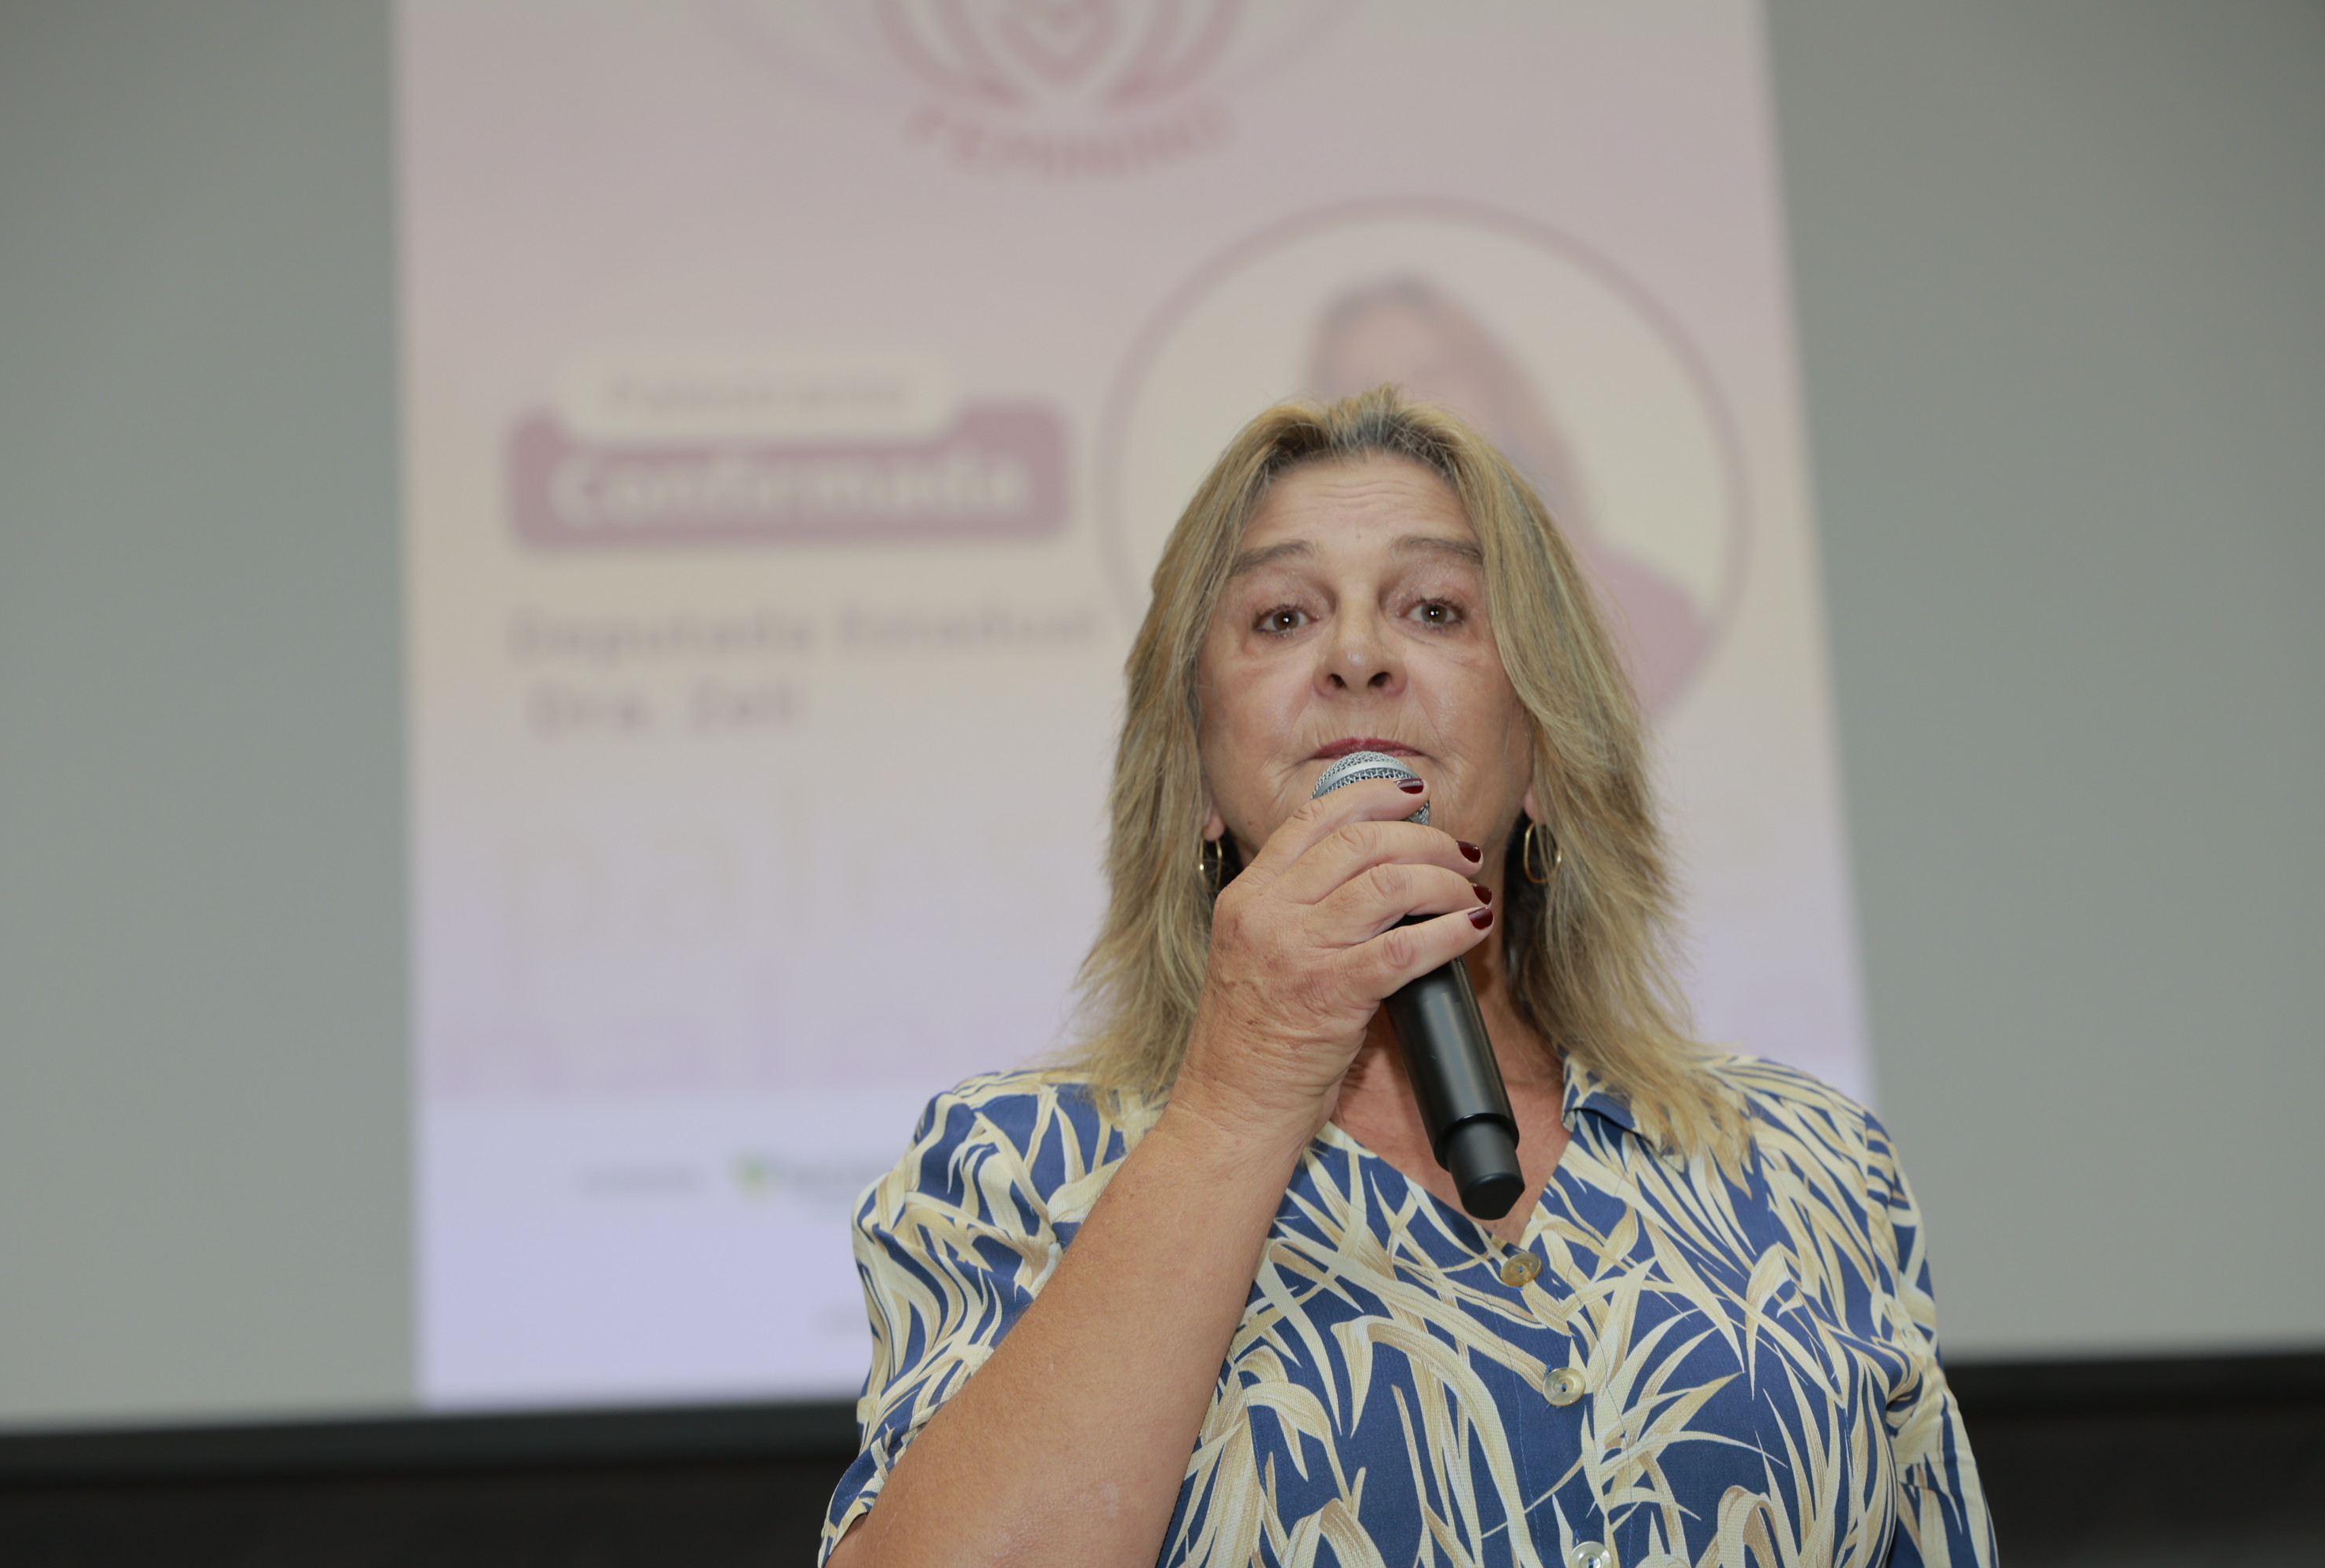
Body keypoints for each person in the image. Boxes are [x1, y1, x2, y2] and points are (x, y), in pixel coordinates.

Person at [820, 389, 1993, 1567]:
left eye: (1435, 608)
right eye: (1283, 616)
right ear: (1196, 776)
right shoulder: (1011, 1170)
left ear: (1544, 751)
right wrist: (1243, 1092)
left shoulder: (1806, 1159)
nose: (1357, 656)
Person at [1306, 275, 1714, 716]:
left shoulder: (1645, 608)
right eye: (1368, 390)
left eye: (1430, 374)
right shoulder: (1317, 637)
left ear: (1494, 389)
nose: (1407, 410)